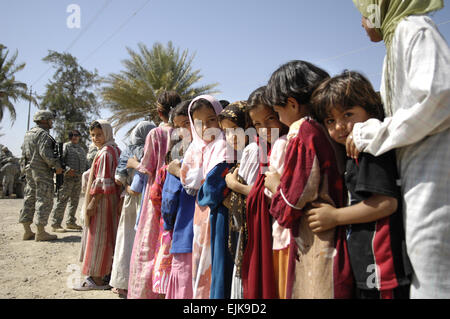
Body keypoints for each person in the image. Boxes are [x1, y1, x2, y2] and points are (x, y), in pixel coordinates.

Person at [348, 0, 449, 299]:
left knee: (434, 271)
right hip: (415, 175)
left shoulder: (413, 28)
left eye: (364, 14)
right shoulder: (395, 44)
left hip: (433, 175)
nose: (363, 22)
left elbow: (440, 97)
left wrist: (373, 133)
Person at [309, 70, 412, 299]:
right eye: (330, 121)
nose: (340, 126)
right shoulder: (351, 153)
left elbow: (386, 203)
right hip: (368, 263)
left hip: (382, 263)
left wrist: (335, 217)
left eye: (348, 114)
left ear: (370, 110)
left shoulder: (368, 151)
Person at [264, 60, 353, 299]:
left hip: (317, 237)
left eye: (276, 110)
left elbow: (291, 204)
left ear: (291, 104)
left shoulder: (302, 130)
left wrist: (274, 184)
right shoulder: (330, 126)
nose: (278, 116)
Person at [237, 87, 289, 299]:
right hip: (267, 232)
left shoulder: (287, 144)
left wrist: (235, 185)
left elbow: (269, 190)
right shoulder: (263, 148)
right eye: (258, 124)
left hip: (285, 232)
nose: (265, 129)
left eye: (270, 119)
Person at [126, 91, 179, 299]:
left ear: (159, 112)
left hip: (154, 194)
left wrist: (132, 163)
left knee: (147, 246)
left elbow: (147, 167)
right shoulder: (183, 133)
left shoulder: (156, 134)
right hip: (174, 194)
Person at [179, 95, 230, 299]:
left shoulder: (225, 145)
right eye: (199, 123)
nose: (207, 127)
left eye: (212, 119)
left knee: (214, 264)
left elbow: (214, 186)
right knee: (201, 262)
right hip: (201, 214)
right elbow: (188, 179)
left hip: (218, 214)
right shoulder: (196, 149)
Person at [109, 120, 155, 298]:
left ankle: (122, 282)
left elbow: (119, 178)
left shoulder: (128, 150)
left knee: (126, 240)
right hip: (148, 201)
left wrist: (127, 187)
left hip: (131, 199)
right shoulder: (154, 148)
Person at [74, 120, 121, 291]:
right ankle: (106, 272)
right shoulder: (114, 149)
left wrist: (92, 203)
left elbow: (103, 182)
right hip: (111, 202)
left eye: (99, 134)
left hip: (102, 203)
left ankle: (97, 278)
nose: (95, 138)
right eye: (93, 135)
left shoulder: (106, 153)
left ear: (107, 133)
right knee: (109, 236)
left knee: (99, 238)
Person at [217, 101, 253, 299]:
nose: (231, 137)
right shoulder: (238, 156)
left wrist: (232, 185)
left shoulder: (253, 152)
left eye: (235, 129)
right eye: (226, 132)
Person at [163, 101, 196, 299]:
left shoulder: (179, 161)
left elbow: (169, 200)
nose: (183, 130)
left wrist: (168, 225)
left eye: (187, 123)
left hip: (185, 232)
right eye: (179, 126)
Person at [18, 110, 63, 242]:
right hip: (42, 172)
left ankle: (27, 231)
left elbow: (23, 153)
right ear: (44, 120)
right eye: (50, 120)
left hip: (29, 171)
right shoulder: (43, 135)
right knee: (44, 199)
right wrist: (57, 166)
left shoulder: (28, 134)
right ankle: (41, 232)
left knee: (30, 198)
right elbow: (46, 154)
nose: (52, 122)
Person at [50, 129, 89, 232]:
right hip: (67, 179)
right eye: (73, 135)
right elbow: (59, 160)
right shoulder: (66, 146)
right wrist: (67, 170)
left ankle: (70, 222)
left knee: (74, 201)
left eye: (77, 135)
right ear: (70, 136)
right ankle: (56, 224)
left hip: (78, 179)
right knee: (62, 201)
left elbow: (86, 164)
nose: (75, 137)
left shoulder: (81, 149)